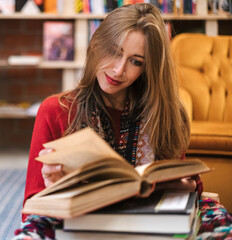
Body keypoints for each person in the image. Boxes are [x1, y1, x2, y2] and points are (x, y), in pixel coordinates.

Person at [14, 3, 202, 239]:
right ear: (96, 45)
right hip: (79, 229)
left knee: (216, 222)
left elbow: (186, 192)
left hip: (149, 228)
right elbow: (31, 209)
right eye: (113, 51)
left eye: (136, 61)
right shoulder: (55, 110)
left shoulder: (165, 113)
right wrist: (55, 191)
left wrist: (185, 185)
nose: (118, 69)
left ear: (148, 69)